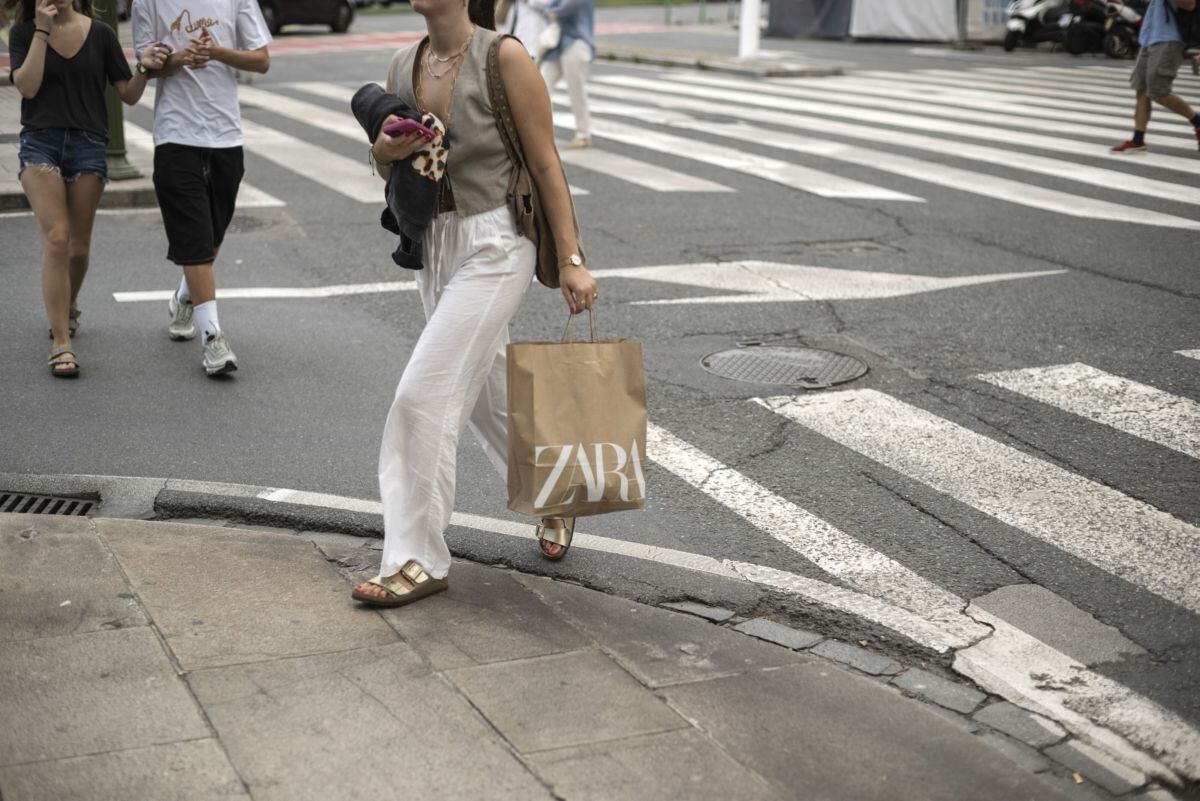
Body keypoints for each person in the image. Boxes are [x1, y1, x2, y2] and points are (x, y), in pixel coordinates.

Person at [351, 0, 598, 607]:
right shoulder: (404, 64)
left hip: (497, 242)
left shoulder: (503, 56)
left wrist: (569, 258)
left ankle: (417, 557)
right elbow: (390, 167)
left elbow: (544, 160)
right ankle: (555, 494)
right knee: (487, 393)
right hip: (437, 244)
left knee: (423, 395)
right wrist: (387, 150)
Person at [7, 0, 165, 376]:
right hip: (40, 143)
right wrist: (42, 32)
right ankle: (62, 342)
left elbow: (127, 92)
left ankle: (70, 301)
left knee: (78, 247)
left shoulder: (102, 35)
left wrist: (145, 66)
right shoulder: (24, 32)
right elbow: (28, 88)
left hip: (89, 144)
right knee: (57, 238)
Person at [132, 0, 272, 376]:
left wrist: (216, 52)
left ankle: (184, 297)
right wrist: (175, 59)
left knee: (211, 236)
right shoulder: (148, 2)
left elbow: (261, 59)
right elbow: (145, 65)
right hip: (175, 134)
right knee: (194, 238)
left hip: (226, 135)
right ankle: (213, 339)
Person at [1110, 0, 1200, 154]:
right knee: (1142, 90)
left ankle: (1197, 121)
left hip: (1169, 40)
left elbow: (1190, 3)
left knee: (1158, 92)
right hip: (1148, 38)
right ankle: (1138, 140)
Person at [539, 0, 594, 149]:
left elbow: (570, 7)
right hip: (557, 45)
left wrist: (554, 12)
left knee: (576, 91)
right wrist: (551, 11)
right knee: (541, 86)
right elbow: (549, 7)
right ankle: (539, 132)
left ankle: (583, 134)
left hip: (576, 43)